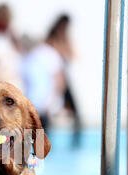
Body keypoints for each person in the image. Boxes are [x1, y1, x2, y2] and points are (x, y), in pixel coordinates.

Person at [22, 19, 67, 133]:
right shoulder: (27, 58)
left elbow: (59, 79)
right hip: (32, 105)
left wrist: (53, 101)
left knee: (41, 139)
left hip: (44, 105)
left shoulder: (47, 53)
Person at [52, 15, 82, 148]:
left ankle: (76, 142)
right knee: (45, 113)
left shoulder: (64, 39)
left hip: (63, 81)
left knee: (75, 113)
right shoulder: (53, 40)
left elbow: (74, 55)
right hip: (56, 81)